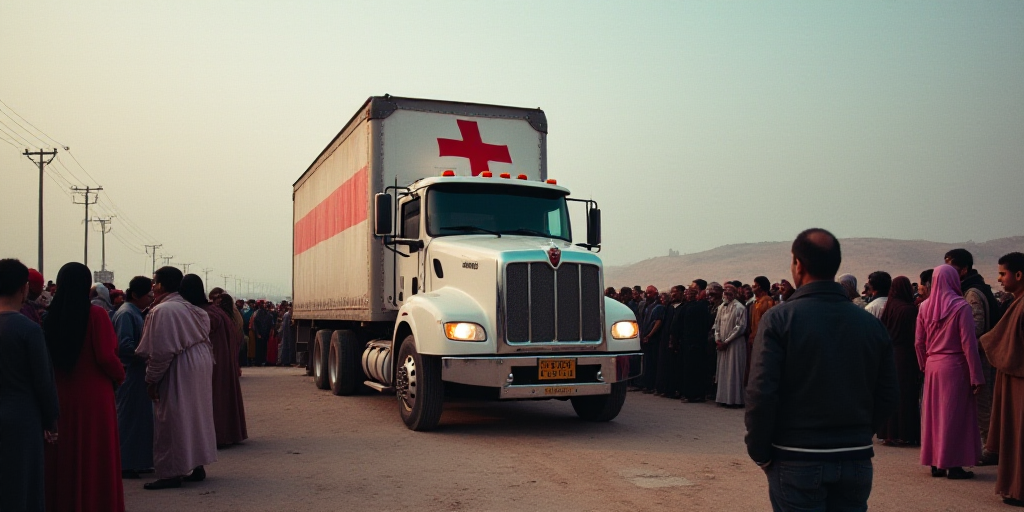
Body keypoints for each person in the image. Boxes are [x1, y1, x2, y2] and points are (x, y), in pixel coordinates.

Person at [746, 228, 899, 512]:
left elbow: (761, 393)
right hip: (855, 460)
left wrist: (760, 452)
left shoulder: (780, 319)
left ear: (798, 265)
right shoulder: (869, 323)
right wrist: (858, 435)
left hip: (796, 458)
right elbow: (889, 393)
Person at [43, 262, 126, 511]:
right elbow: (105, 355)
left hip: (61, 393)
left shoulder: (49, 316)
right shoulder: (96, 315)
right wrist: (120, 375)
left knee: (62, 458)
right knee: (95, 457)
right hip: (95, 397)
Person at [135, 267, 217, 489]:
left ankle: (171, 472)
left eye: (155, 282)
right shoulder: (190, 307)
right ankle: (197, 465)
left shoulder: (164, 311)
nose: (152, 286)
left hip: (180, 364)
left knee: (172, 417)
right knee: (195, 414)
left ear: (161, 285)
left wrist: (151, 380)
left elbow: (161, 351)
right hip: (199, 362)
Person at [0, 259, 60, 512]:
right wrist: (51, 421)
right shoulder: (28, 329)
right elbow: (42, 381)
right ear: (24, 288)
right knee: (22, 486)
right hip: (22, 419)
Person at [916, 264, 985, 479]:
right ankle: (953, 465)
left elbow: (918, 342)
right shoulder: (961, 307)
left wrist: (924, 364)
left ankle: (936, 463)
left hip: (933, 366)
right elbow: (968, 344)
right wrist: (976, 375)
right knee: (955, 416)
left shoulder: (924, 307)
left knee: (934, 415)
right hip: (955, 366)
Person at [945, 248, 1002, 454]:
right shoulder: (971, 289)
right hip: (978, 355)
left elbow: (975, 327)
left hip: (980, 356)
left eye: (951, 267)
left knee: (982, 403)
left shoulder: (972, 293)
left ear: (964, 270)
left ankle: (990, 448)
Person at [180, 275, 248, 448]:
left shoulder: (206, 314)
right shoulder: (217, 312)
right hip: (223, 361)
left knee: (214, 398)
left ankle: (217, 436)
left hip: (214, 362)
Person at [979, 252, 1024, 507]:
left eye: (1002, 274)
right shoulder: (1015, 302)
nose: (999, 280)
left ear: (1018, 275)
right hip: (1014, 379)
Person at [112, 276, 155, 479]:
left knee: (140, 419)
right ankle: (125, 463)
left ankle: (137, 461)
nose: (151, 298)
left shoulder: (135, 312)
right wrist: (148, 351)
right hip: (131, 373)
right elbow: (124, 345)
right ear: (136, 295)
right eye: (148, 294)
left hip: (139, 373)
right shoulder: (126, 314)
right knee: (128, 419)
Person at [877, 276, 923, 446]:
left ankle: (889, 433)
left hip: (891, 355)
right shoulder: (909, 310)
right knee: (907, 395)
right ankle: (905, 432)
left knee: (892, 394)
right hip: (906, 355)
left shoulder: (889, 307)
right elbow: (915, 336)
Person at [675, 286, 711, 403]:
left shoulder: (697, 307)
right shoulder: (689, 307)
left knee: (693, 369)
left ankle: (694, 394)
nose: (688, 295)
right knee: (689, 368)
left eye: (690, 293)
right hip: (691, 342)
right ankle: (691, 393)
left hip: (694, 342)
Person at [714, 283, 747, 407]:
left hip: (734, 344)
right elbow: (716, 325)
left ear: (735, 294)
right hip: (722, 343)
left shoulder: (740, 308)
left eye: (729, 293)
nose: (726, 295)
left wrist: (727, 341)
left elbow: (740, 327)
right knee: (723, 370)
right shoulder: (721, 307)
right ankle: (723, 398)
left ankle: (735, 400)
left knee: (734, 370)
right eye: (725, 292)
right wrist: (718, 339)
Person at [745, 276, 775, 387]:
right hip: (753, 340)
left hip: (762, 340)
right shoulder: (756, 303)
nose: (752, 287)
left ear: (760, 287)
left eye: (755, 285)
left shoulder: (767, 302)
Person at [655, 285, 685, 397]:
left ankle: (676, 389)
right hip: (665, 339)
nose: (673, 294)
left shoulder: (683, 307)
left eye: (675, 292)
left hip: (678, 340)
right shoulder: (669, 307)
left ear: (682, 293)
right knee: (665, 364)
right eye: (672, 292)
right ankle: (666, 389)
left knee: (675, 366)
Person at [637, 285, 665, 393]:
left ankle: (651, 385)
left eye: (650, 293)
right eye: (647, 293)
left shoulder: (658, 307)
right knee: (646, 363)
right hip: (645, 337)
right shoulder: (647, 306)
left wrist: (650, 335)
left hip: (653, 339)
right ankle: (646, 384)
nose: (647, 295)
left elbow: (658, 322)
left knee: (652, 363)